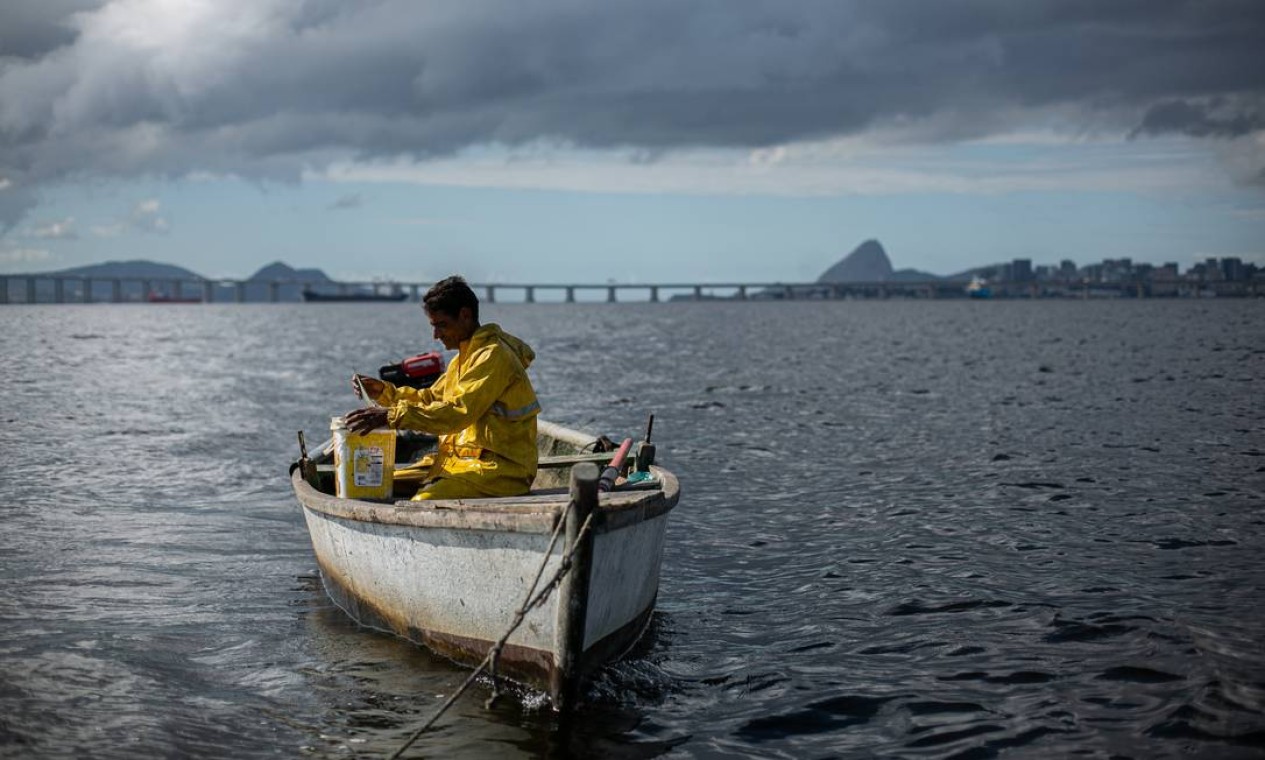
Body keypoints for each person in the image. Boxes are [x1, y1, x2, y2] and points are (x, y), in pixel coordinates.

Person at [344, 275, 540, 501]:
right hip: (459, 464)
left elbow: (456, 412)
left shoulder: (493, 356)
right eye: (433, 326)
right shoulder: (462, 360)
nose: (436, 335)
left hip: (500, 471)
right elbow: (430, 398)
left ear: (465, 315)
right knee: (374, 484)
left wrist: (390, 416)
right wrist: (384, 392)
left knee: (423, 502)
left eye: (441, 325)